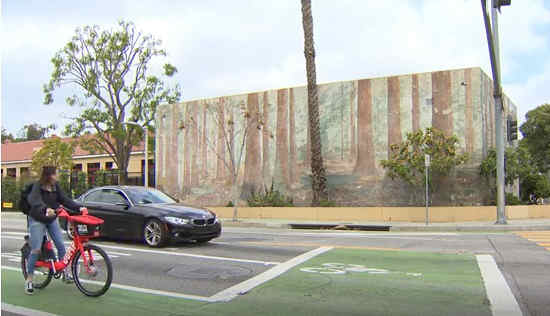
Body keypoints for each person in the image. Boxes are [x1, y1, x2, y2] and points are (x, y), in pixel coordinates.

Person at [25, 166, 87, 295]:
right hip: (37, 218)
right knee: (36, 249)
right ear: (49, 175)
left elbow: (64, 199)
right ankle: (29, 280)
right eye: (56, 174)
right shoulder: (38, 186)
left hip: (51, 219)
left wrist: (79, 207)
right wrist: (45, 208)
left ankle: (65, 273)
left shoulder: (55, 187)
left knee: (60, 245)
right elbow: (33, 199)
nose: (57, 176)